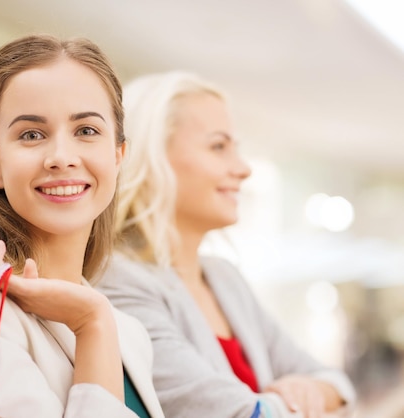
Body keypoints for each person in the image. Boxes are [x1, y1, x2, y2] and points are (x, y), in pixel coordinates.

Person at [0, 35, 164, 418]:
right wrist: (90, 324)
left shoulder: (129, 333)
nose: (61, 158)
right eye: (31, 135)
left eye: (87, 131)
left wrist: (96, 319)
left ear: (118, 154)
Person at [96, 71, 356, 418]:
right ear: (150, 156)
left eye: (237, 149)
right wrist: (309, 401)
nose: (244, 169)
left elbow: (340, 387)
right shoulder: (118, 282)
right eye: (219, 147)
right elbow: (234, 414)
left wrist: (311, 391)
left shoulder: (224, 277)